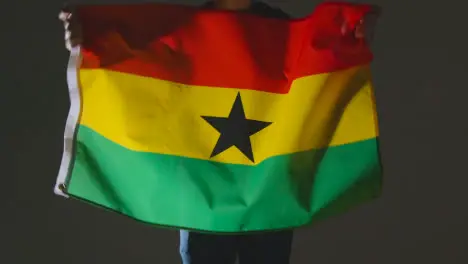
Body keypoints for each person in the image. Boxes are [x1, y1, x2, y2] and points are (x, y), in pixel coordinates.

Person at [59, 1, 377, 263]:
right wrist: (89, 35)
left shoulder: (285, 34)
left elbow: (326, 62)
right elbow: (129, 57)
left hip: (266, 198)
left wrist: (353, 33)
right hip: (202, 197)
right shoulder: (184, 29)